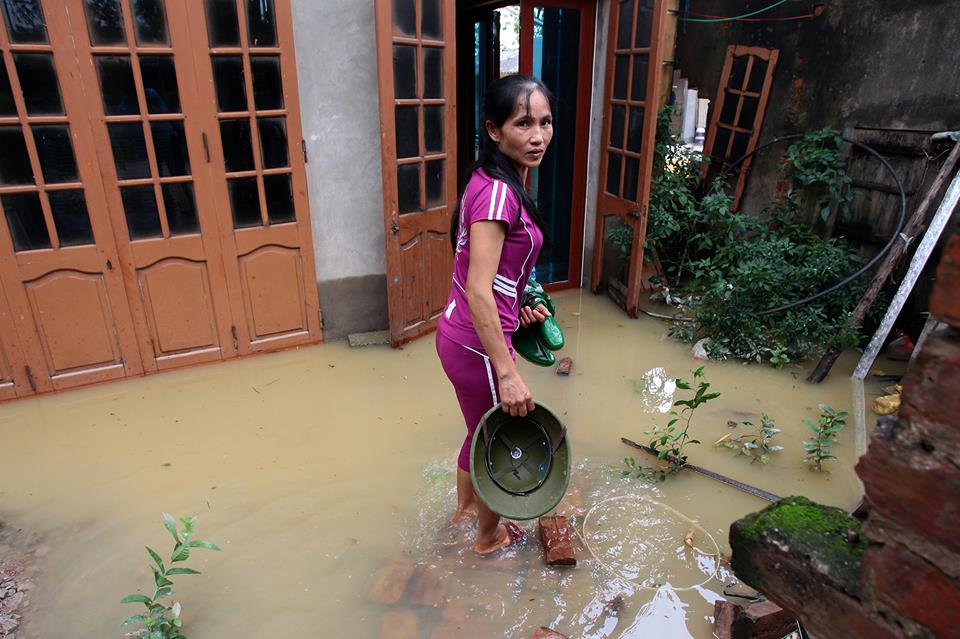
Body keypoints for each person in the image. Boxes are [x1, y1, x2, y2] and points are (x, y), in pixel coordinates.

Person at [435, 74, 556, 555]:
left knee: (477, 430)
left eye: (545, 123)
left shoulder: (486, 182)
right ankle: (488, 539)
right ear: (493, 129)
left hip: (458, 335)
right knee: (500, 442)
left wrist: (520, 305)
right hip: (479, 346)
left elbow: (487, 277)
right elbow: (481, 292)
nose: (537, 135)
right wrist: (507, 372)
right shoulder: (501, 194)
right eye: (523, 123)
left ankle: (465, 512)